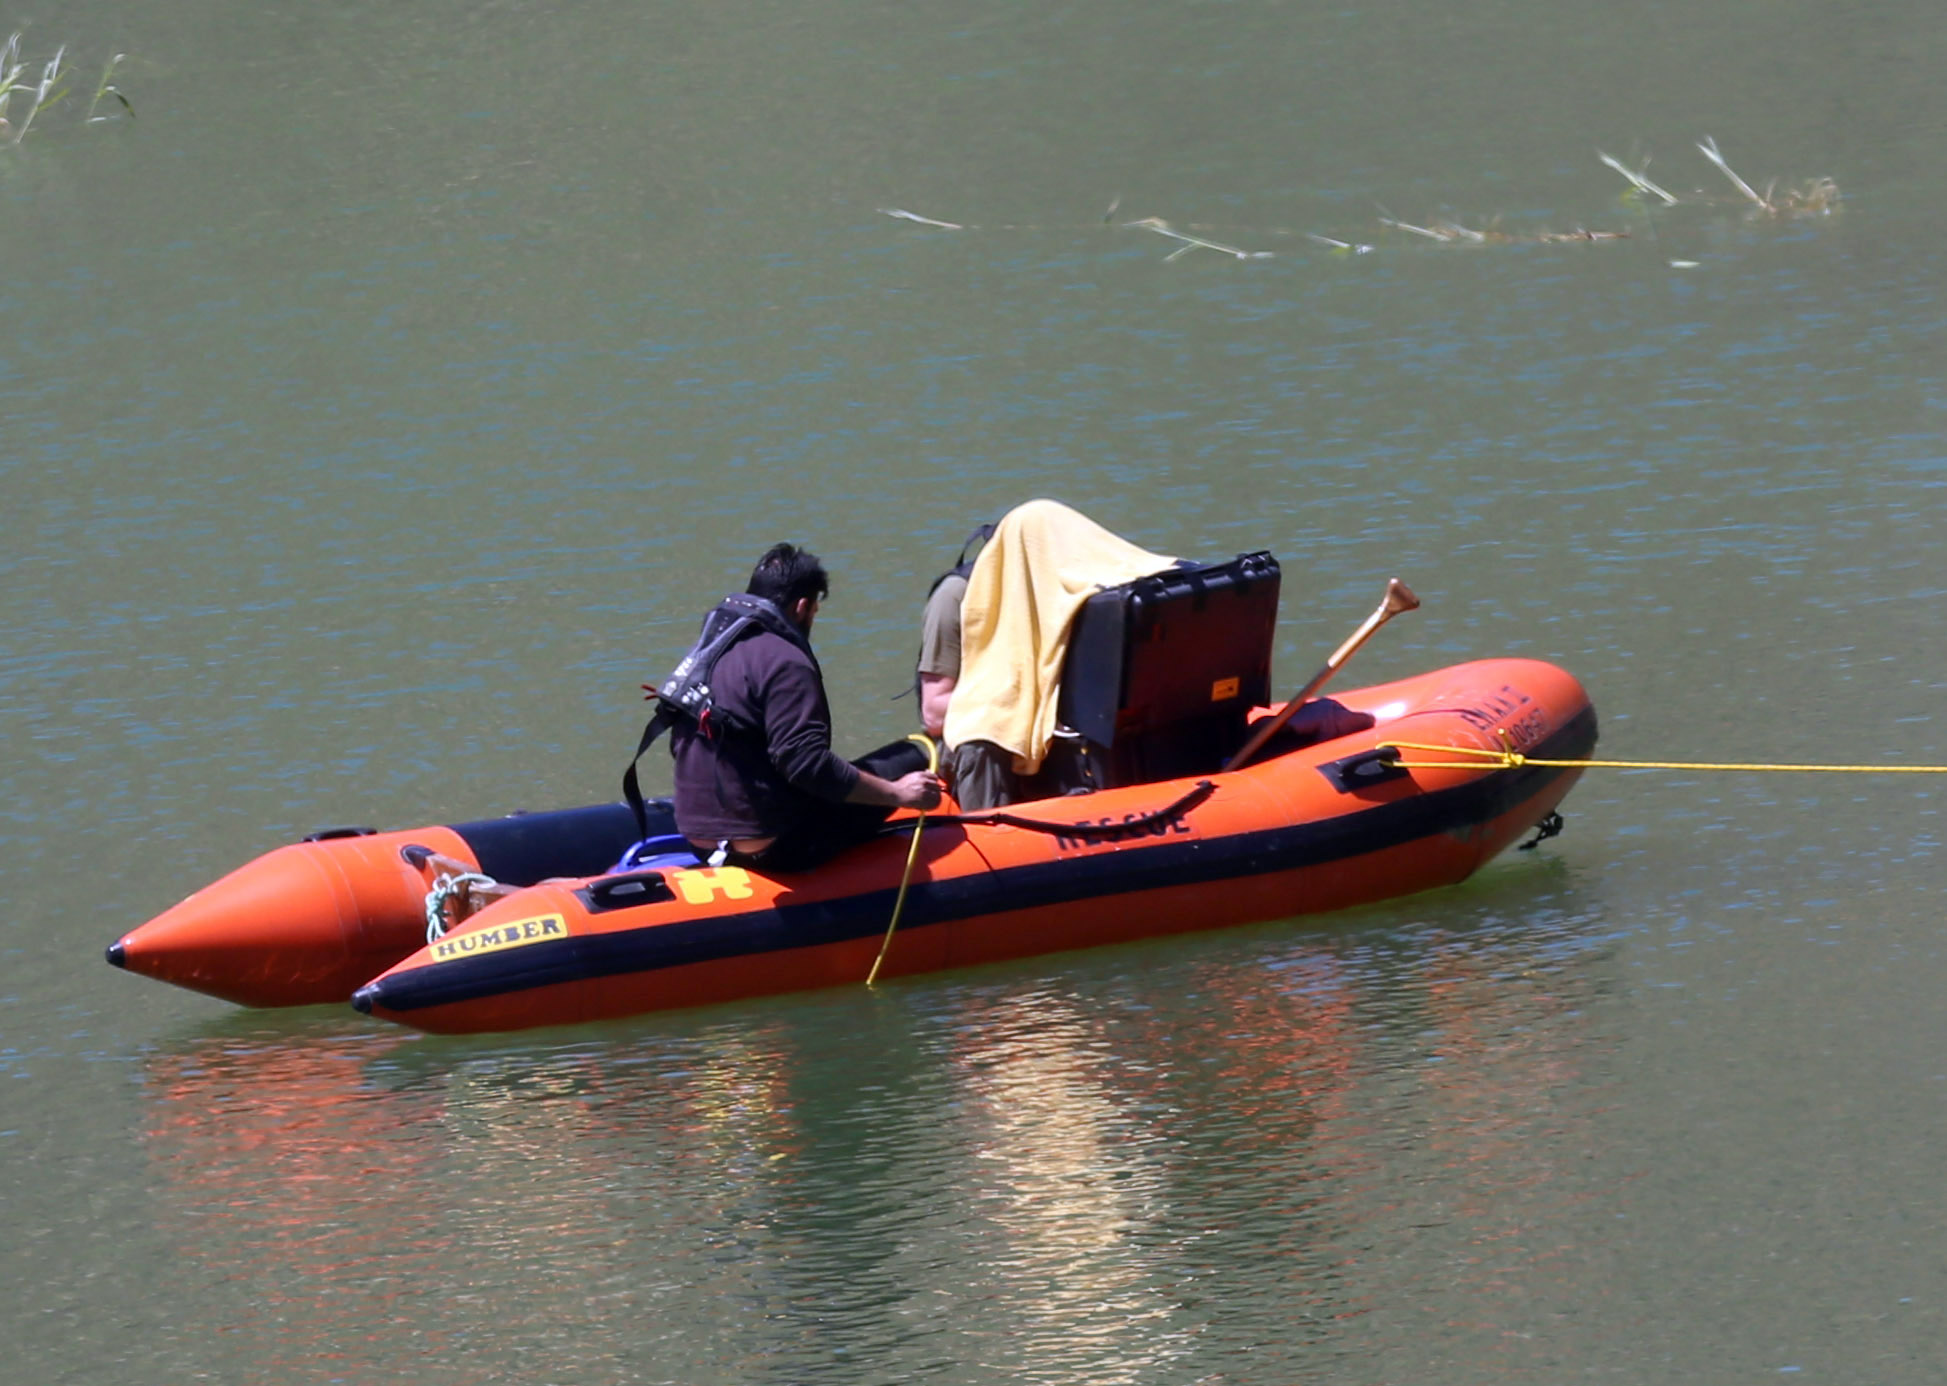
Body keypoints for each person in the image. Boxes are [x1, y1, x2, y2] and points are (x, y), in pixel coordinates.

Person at [668, 543, 942, 873]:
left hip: (698, 839)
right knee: (913, 756)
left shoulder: (712, 646)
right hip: (776, 847)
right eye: (815, 610)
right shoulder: (786, 660)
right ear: (802, 606)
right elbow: (805, 763)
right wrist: (898, 793)